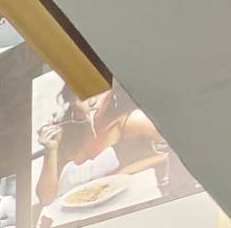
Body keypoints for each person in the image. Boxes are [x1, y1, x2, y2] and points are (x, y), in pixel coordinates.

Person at [35, 83, 169, 206]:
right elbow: (45, 199)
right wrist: (50, 150)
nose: (93, 101)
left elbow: (170, 155)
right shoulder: (67, 136)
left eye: (100, 90)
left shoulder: (132, 121)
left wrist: (125, 171)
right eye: (84, 94)